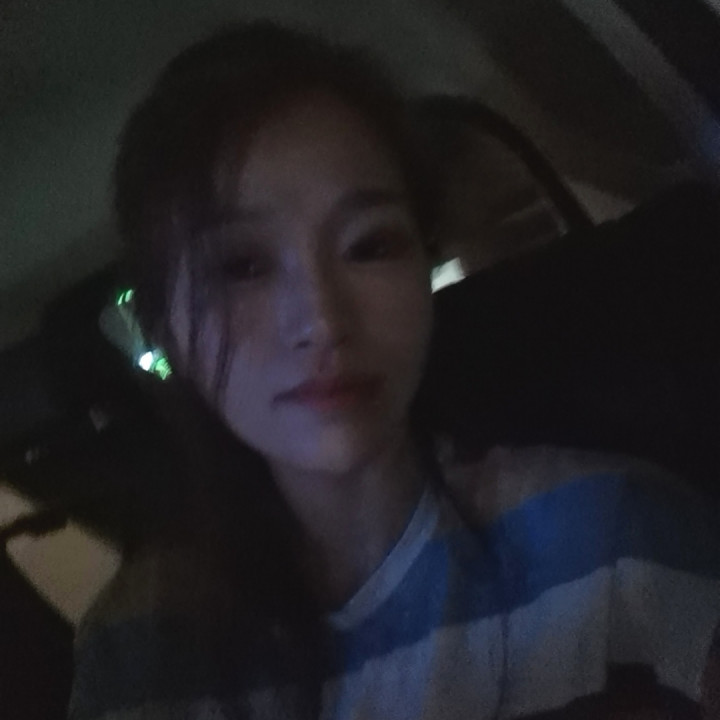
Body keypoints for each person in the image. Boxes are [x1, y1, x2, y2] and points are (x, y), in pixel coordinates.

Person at [69, 21, 720, 720]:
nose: (322, 320)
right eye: (242, 266)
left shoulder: (608, 534)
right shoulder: (138, 646)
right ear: (168, 326)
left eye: (370, 244)